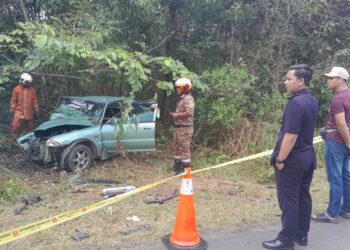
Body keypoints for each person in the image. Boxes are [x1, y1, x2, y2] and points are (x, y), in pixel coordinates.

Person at [263, 64, 319, 250]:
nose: (285, 82)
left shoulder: (295, 103)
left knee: (289, 201)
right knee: (303, 196)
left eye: (289, 79)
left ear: (301, 81)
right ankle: (301, 234)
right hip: (307, 157)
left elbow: (291, 135)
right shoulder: (311, 100)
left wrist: (280, 159)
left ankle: (286, 240)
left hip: (293, 160)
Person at [312, 67, 350, 223]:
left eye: (331, 78)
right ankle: (347, 209)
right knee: (347, 176)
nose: (328, 80)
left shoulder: (338, 99)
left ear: (340, 79)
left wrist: (348, 142)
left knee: (335, 178)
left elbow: (341, 124)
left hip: (337, 142)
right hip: (346, 142)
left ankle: (331, 213)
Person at [169, 77, 195, 174]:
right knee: (176, 147)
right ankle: (177, 166)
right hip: (179, 128)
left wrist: (177, 115)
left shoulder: (188, 99)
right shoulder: (182, 98)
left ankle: (185, 169)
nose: (177, 89)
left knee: (184, 148)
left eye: (178, 88)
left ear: (185, 87)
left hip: (185, 129)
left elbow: (190, 113)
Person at [10, 73, 40, 140]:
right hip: (19, 111)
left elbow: (35, 101)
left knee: (30, 127)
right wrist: (12, 110)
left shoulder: (32, 90)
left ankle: (29, 141)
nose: (29, 84)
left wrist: (37, 111)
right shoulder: (16, 89)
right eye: (27, 82)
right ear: (23, 81)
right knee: (15, 125)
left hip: (29, 111)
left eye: (29, 82)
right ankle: (13, 140)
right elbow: (13, 100)